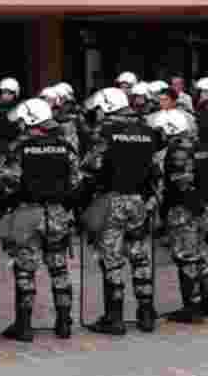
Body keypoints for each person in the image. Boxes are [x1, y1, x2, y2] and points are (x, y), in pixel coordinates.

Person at [0, 98, 80, 341]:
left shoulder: (21, 148)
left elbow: (8, 181)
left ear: (31, 120)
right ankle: (64, 322)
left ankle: (24, 326)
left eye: (23, 120)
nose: (20, 125)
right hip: (57, 214)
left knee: (25, 270)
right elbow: (76, 182)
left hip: (28, 214)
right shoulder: (66, 147)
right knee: (59, 268)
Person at [82, 86, 162, 335]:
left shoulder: (105, 131)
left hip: (112, 200)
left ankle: (114, 318)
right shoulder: (148, 131)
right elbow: (156, 170)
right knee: (139, 257)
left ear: (106, 107)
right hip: (139, 201)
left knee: (112, 260)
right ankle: (147, 313)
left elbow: (92, 165)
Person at [152, 109, 206, 323]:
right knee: (201, 257)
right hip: (201, 208)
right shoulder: (199, 146)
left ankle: (191, 308)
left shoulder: (177, 150)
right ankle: (204, 303)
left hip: (183, 210)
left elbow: (180, 182)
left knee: (186, 258)